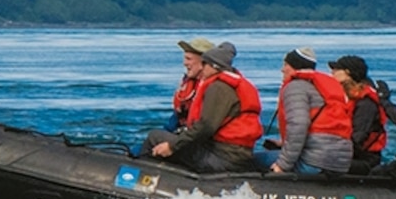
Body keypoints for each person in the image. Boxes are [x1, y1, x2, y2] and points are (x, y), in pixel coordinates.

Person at [150, 39, 263, 174]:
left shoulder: (219, 88)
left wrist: (173, 146)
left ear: (214, 67)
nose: (202, 67)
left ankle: (140, 182)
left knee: (155, 136)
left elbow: (206, 126)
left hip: (224, 157)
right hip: (232, 152)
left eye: (204, 63)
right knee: (166, 137)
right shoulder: (229, 85)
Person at [269, 49, 352, 176]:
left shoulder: (295, 87)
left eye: (286, 65)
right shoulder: (324, 87)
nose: (282, 69)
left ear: (296, 67)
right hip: (340, 163)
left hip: (314, 162)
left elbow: (299, 125)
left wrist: (282, 165)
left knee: (254, 160)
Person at [333, 56, 392, 175]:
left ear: (348, 72)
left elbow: (358, 137)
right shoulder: (351, 98)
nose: (332, 73)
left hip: (365, 160)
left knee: (322, 164)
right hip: (352, 155)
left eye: (336, 69)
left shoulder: (366, 104)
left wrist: (334, 153)